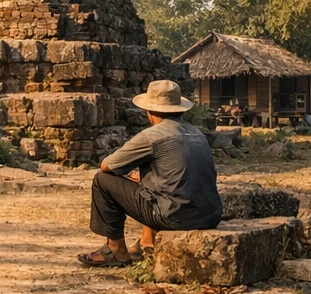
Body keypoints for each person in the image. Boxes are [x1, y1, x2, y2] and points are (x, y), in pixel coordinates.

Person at [77, 79, 223, 267]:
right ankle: (146, 242)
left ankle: (115, 249)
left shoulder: (152, 136)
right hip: (210, 214)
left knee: (102, 180)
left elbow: (107, 166)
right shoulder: (196, 133)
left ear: (149, 111)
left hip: (176, 216)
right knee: (148, 181)